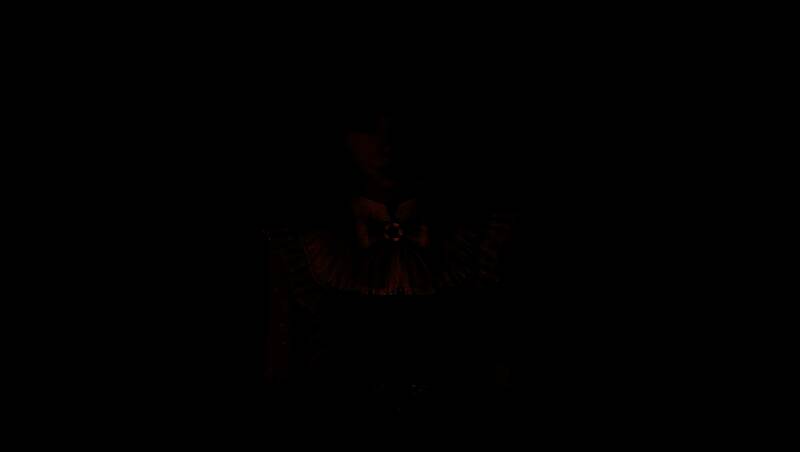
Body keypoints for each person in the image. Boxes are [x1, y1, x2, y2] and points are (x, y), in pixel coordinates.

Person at [265, 106, 514, 418]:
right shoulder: (308, 250)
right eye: (367, 126)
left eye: (403, 125)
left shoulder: (477, 243)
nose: (387, 144)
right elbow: (281, 366)